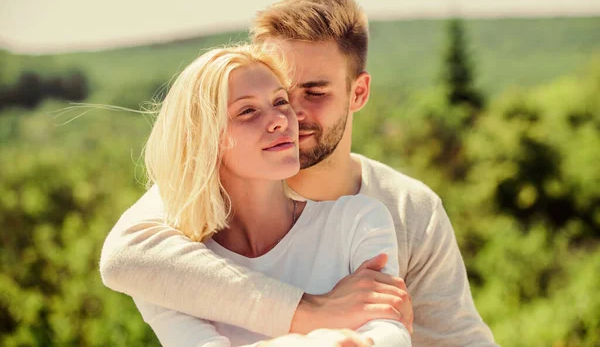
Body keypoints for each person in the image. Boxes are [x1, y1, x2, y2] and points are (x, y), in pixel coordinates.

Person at [100, 0, 497, 346]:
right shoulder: (208, 195)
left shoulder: (406, 209)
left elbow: (457, 340)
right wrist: (309, 314)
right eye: (279, 93)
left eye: (315, 92)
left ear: (358, 92)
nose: (290, 114)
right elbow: (124, 257)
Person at [128, 43, 411, 346]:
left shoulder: (358, 221)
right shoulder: (171, 270)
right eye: (248, 111)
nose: (281, 119)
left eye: (280, 101)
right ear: (204, 138)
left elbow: (390, 331)